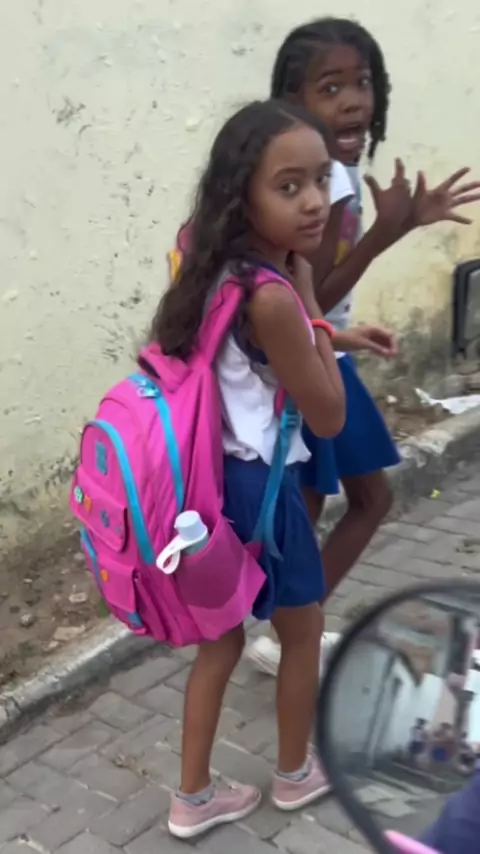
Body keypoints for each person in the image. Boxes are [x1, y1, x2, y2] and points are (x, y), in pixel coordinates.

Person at [152, 98, 397, 838]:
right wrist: (316, 306)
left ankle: (192, 797)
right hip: (263, 490)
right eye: (289, 187)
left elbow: (253, 356)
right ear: (244, 196)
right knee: (302, 629)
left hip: (212, 481)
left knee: (222, 640)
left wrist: (339, 335)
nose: (315, 201)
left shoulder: (211, 263)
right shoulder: (277, 294)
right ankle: (295, 775)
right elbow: (327, 417)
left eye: (321, 179)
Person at [248, 17, 480, 674]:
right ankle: (286, 632)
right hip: (315, 360)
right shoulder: (332, 186)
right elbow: (310, 294)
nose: (353, 101)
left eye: (363, 83)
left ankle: (286, 628)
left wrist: (398, 226)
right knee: (353, 503)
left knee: (333, 503)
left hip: (322, 354)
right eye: (331, 88)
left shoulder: (326, 175)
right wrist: (386, 232)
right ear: (293, 101)